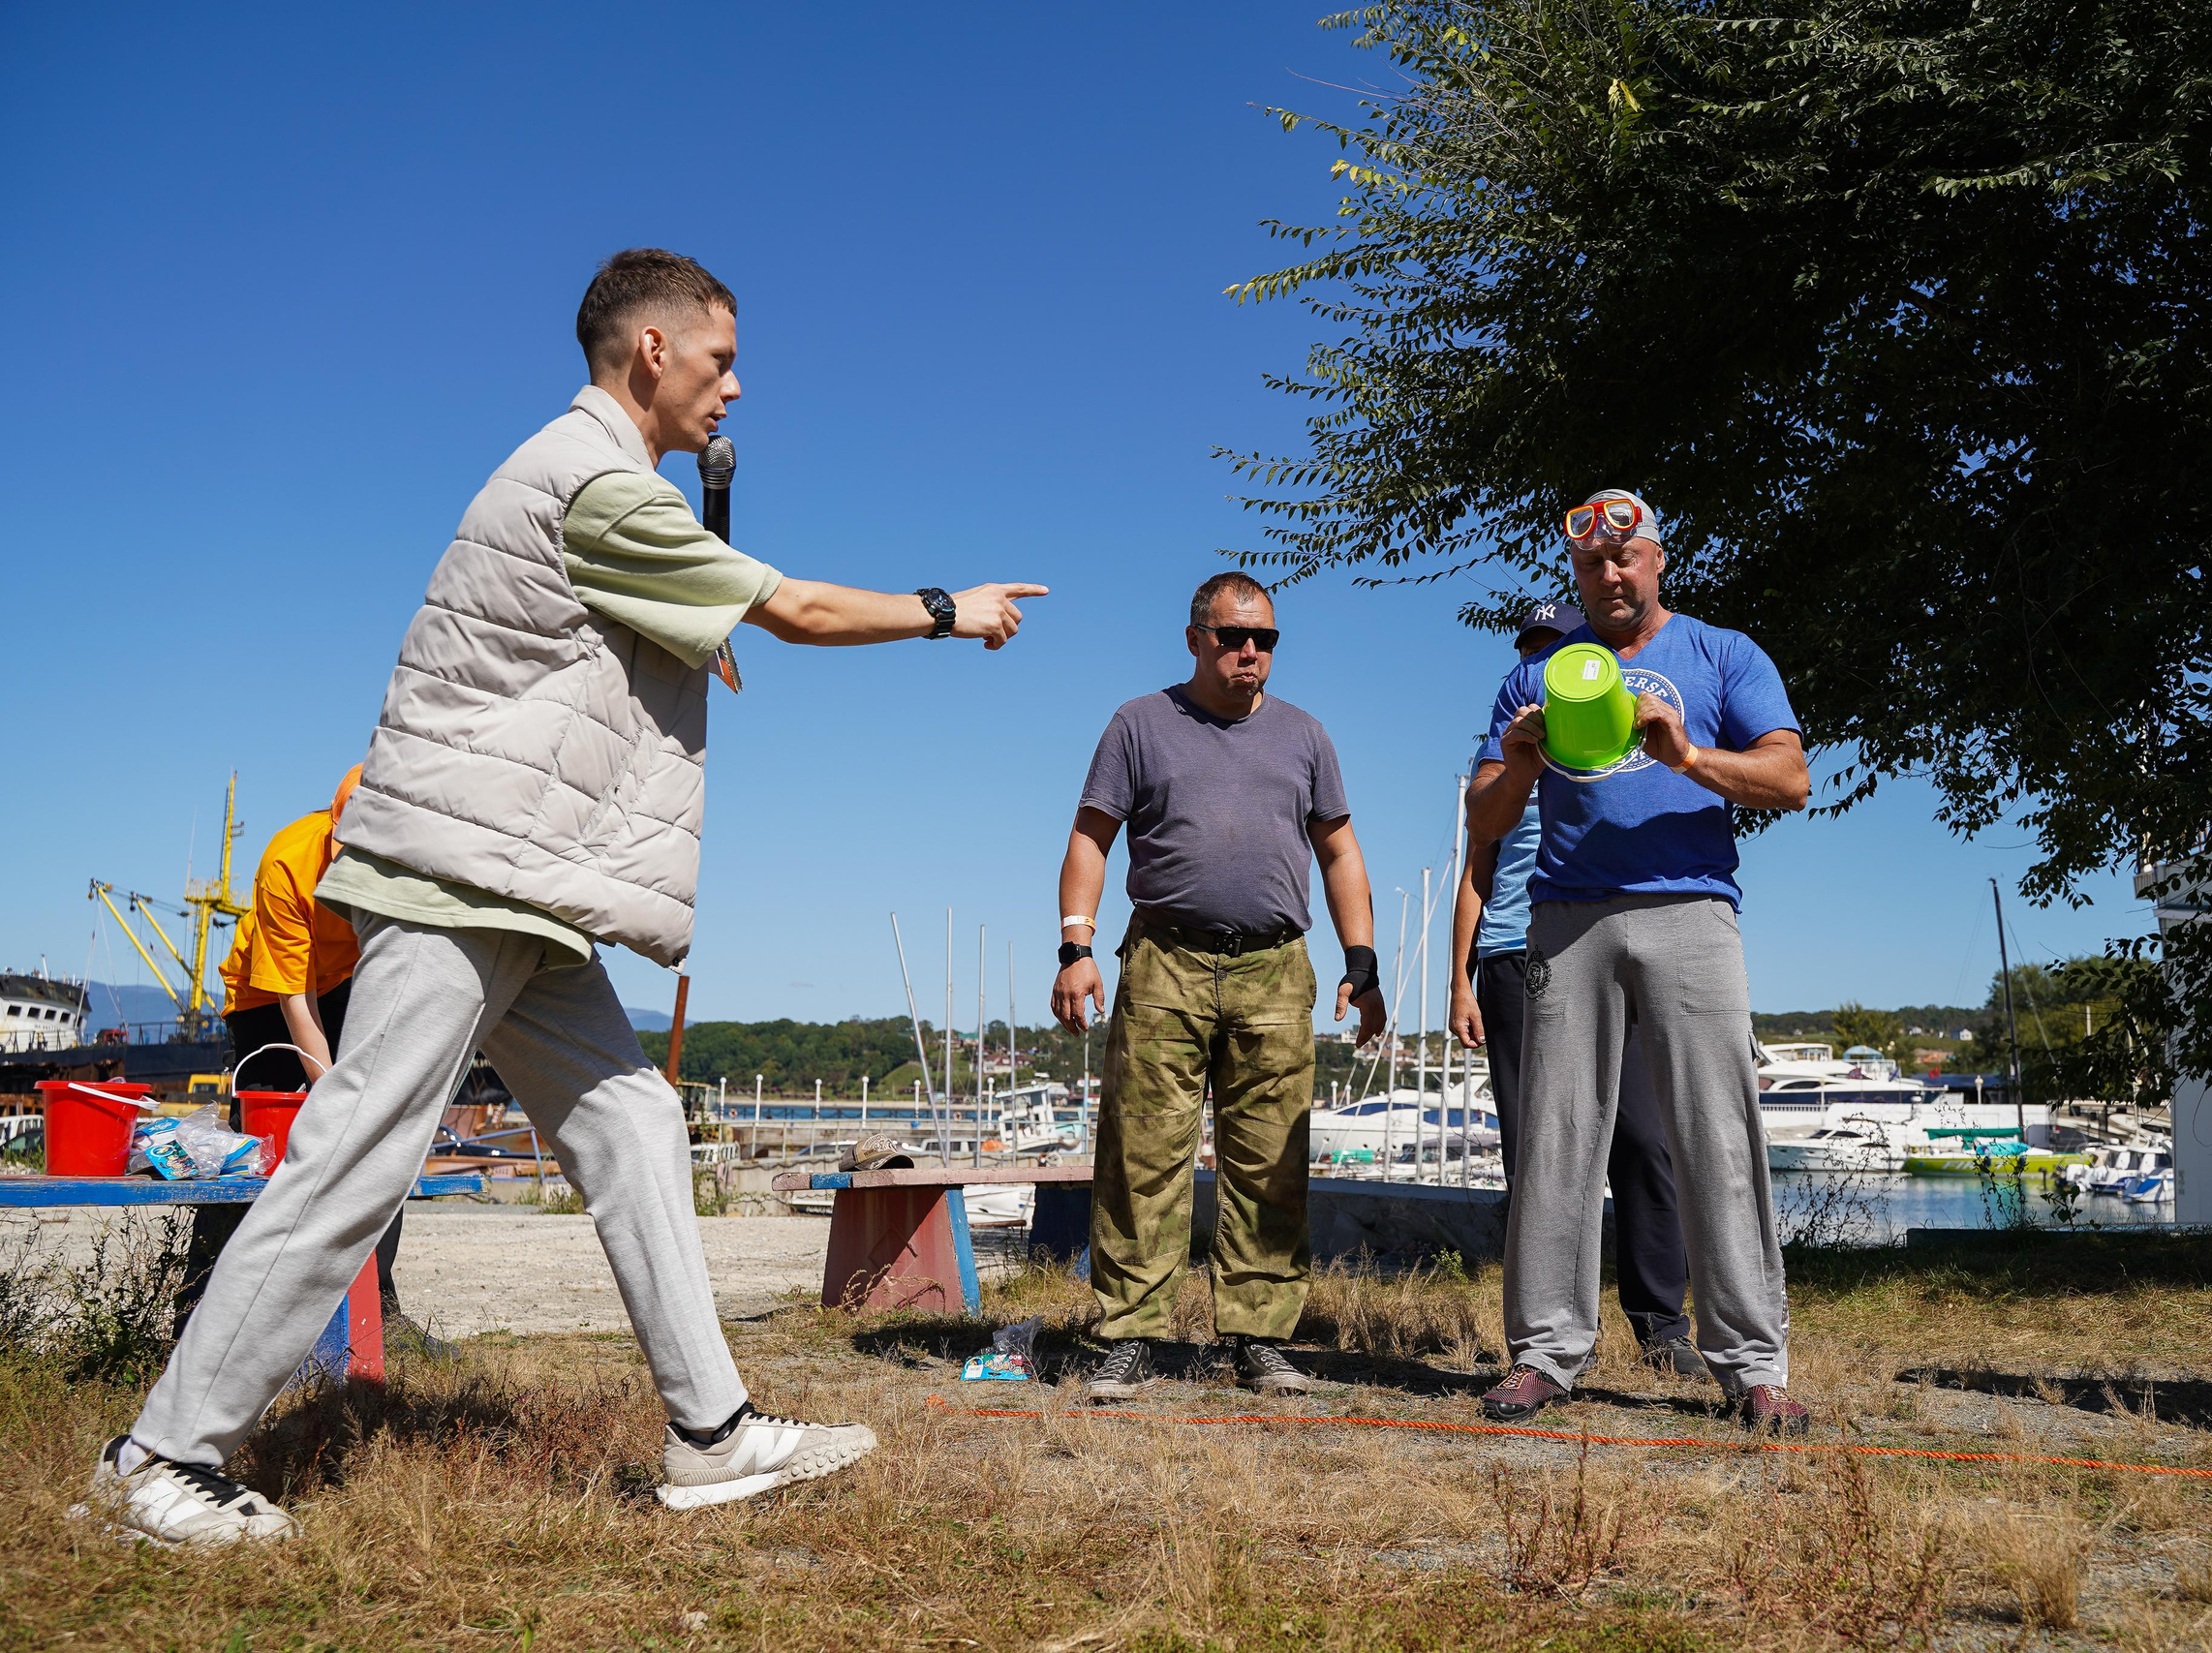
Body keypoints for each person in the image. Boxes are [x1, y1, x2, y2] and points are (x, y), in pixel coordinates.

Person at [90, 247, 1047, 1544]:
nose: (737, 387)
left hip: (519, 891)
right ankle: (160, 1455)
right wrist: (949, 607)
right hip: (459, 874)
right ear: (650, 350)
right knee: (360, 1148)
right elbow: (799, 607)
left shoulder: (601, 487)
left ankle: (710, 1429)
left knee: (638, 1126)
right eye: (720, 360)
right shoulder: (591, 479)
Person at [1463, 488, 1810, 1432]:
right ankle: (1543, 1354)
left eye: (1626, 559)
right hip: (1566, 920)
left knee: (1714, 1135)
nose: (1610, 575)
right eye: (1590, 565)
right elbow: (1482, 823)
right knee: (1554, 1139)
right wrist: (1524, 764)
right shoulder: (1537, 678)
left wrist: (1689, 755)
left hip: (1690, 910)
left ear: (1657, 561)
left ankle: (1752, 1367)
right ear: (1576, 576)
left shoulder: (1720, 655)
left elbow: (1789, 779)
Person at [1052, 571, 1385, 1400]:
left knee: (1272, 1155)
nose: (1250, 652)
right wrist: (1075, 946)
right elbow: (1092, 836)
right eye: (1235, 636)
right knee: (1142, 1151)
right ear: (1196, 636)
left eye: (1265, 639)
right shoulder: (1139, 724)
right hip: (1165, 957)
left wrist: (1363, 961)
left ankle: (1258, 1336)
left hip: (1276, 964)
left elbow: (1341, 852)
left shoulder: (1305, 736)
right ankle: (1129, 1333)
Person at [1448, 599, 1706, 1381]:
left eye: (1551, 648)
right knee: (1540, 1153)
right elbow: (1476, 871)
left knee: (1645, 1138)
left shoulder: (1615, 747)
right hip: (1511, 958)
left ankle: (1663, 1324)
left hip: (1604, 949)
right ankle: (1552, 1342)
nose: (1535, 664)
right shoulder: (1506, 754)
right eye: (1526, 651)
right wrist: (1459, 980)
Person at [185, 768, 430, 1339]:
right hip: (266, 994)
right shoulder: (287, 863)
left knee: (379, 1134)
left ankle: (380, 1311)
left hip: (349, 975)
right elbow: (294, 1000)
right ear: (333, 822)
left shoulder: (413, 858)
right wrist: (333, 1094)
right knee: (261, 1146)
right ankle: (200, 1300)